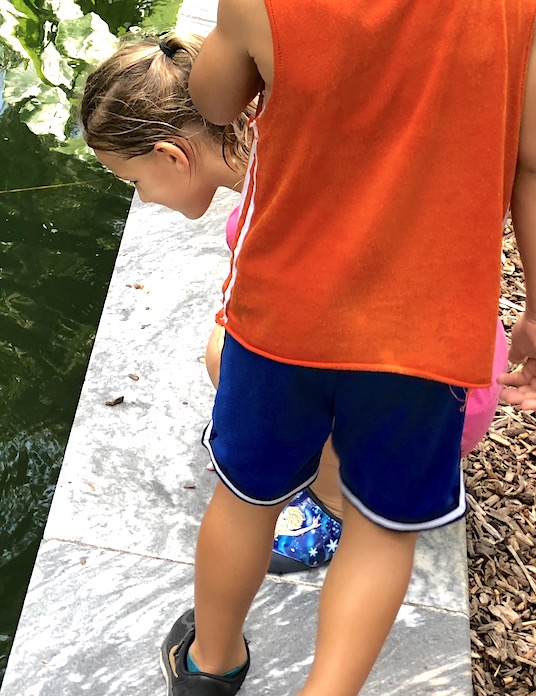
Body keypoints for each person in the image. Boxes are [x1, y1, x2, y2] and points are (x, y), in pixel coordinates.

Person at [171, 0, 536, 693]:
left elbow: (218, 102)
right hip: (425, 335)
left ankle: (211, 663)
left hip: (282, 325)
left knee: (245, 495)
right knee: (384, 524)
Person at [79, 33, 506, 578]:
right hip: (461, 368)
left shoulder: (272, 224)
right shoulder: (286, 149)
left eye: (135, 181)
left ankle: (334, 509)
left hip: (433, 413)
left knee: (229, 355)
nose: (142, 196)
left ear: (171, 155)